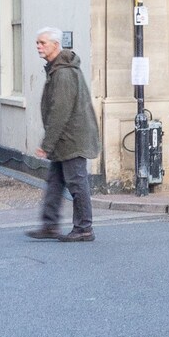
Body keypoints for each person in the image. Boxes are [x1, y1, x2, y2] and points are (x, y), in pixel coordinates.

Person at [27, 28, 99, 243]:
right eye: (37, 42)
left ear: (56, 45)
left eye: (43, 43)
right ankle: (49, 225)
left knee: (77, 183)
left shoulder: (63, 73)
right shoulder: (57, 69)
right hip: (65, 139)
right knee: (55, 182)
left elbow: (60, 111)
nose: (39, 46)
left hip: (72, 139)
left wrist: (47, 144)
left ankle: (84, 228)